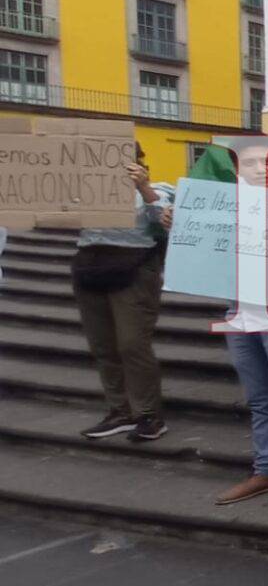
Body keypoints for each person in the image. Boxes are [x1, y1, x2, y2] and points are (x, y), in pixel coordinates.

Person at [165, 140, 268, 511]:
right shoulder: (226, 210)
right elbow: (204, 254)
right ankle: (267, 469)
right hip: (240, 317)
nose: (262, 169)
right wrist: (179, 228)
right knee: (260, 401)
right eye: (252, 163)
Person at [74, 145, 172, 443]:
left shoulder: (157, 189)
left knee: (132, 344)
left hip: (134, 270)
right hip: (90, 266)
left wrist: (142, 186)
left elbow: (165, 223)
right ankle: (120, 410)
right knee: (102, 345)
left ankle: (148, 415)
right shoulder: (88, 188)